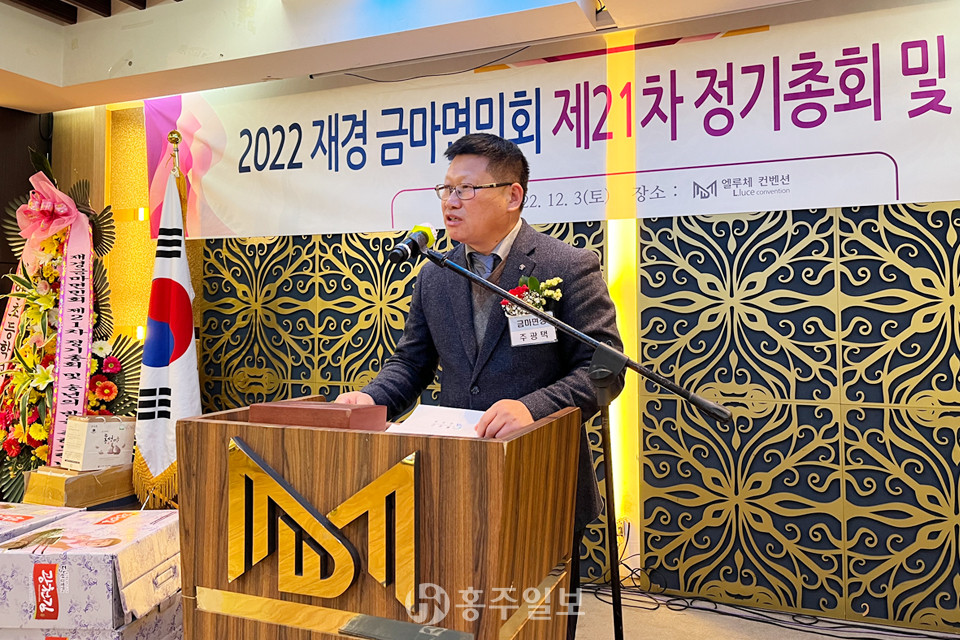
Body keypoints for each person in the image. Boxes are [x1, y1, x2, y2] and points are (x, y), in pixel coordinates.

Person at [337, 132, 623, 639]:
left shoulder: (565, 266)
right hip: (453, 473)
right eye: (445, 189)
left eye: (465, 189)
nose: (450, 201)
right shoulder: (435, 275)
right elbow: (412, 363)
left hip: (539, 475)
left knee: (536, 617)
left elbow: (603, 369)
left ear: (512, 195)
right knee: (458, 613)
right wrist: (372, 398)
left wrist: (533, 408)